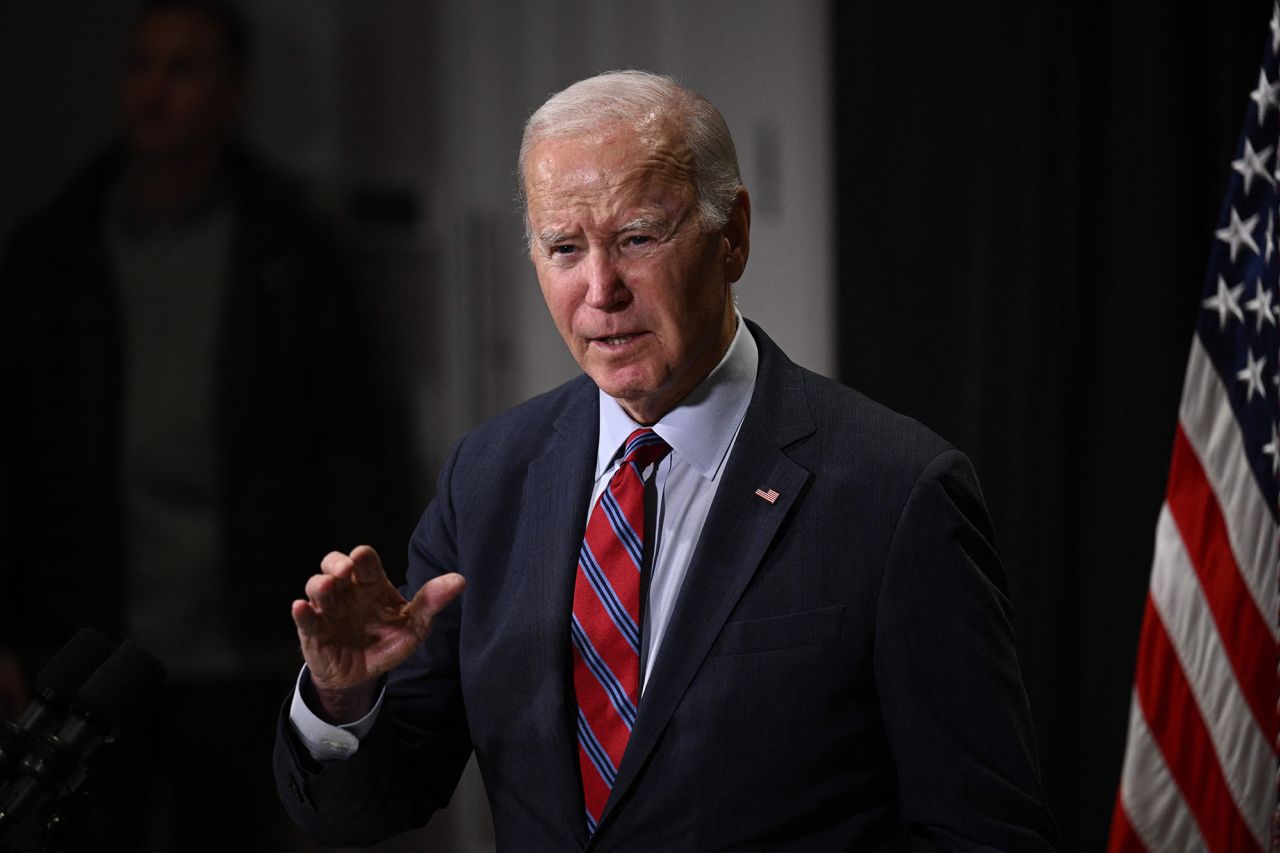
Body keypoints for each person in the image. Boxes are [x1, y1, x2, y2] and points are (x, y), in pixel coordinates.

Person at [274, 70, 1057, 850]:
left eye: (637, 238)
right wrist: (345, 698)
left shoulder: (896, 494)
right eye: (564, 247)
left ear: (734, 235)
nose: (600, 289)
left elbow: (985, 833)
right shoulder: (488, 478)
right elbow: (365, 807)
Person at [0, 0, 414, 849]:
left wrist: (351, 614)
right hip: (91, 643)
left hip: (246, 646)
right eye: (140, 66)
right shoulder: (56, 250)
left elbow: (356, 441)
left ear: (232, 90)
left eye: (182, 69)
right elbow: (11, 455)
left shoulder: (290, 249)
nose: (154, 91)